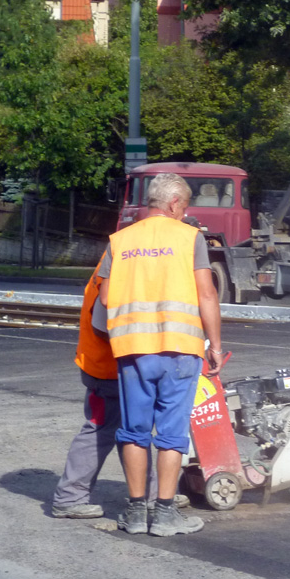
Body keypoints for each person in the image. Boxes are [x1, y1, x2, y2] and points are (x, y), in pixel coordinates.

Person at [98, 172, 222, 537]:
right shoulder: (189, 238)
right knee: (171, 433)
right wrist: (214, 345)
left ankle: (136, 513)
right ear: (173, 204)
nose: (184, 214)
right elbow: (207, 295)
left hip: (133, 350)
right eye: (183, 206)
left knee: (134, 431)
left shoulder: (120, 240)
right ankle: (165, 513)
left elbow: (106, 298)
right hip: (180, 350)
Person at [51, 261, 189, 519]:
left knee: (133, 429)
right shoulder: (118, 264)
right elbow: (101, 326)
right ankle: (69, 498)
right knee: (102, 427)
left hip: (115, 366)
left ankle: (151, 495)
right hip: (108, 367)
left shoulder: (119, 259)